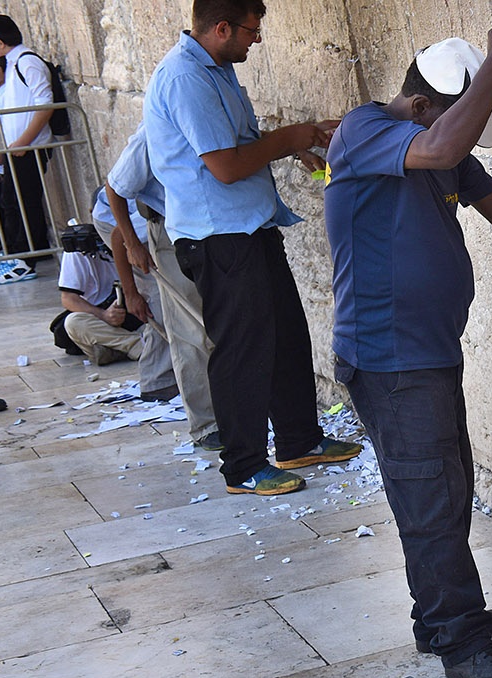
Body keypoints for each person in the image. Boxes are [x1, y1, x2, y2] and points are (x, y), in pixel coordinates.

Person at [322, 27, 492, 678]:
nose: (460, 144)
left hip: (428, 352)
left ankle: (439, 614)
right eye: (455, 120)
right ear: (419, 105)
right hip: (388, 358)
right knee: (431, 500)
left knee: (447, 488)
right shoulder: (364, 130)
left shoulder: (439, 151)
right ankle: (457, 639)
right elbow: (446, 142)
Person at [143, 0, 357, 496]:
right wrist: (287, 138)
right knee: (242, 350)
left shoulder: (214, 68)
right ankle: (242, 465)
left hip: (250, 224)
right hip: (217, 236)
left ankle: (299, 438)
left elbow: (237, 140)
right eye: (250, 32)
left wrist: (295, 144)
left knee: (284, 334)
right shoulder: (185, 78)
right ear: (221, 28)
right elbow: (225, 164)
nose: (255, 41)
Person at [106, 123, 220, 446]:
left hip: (209, 230)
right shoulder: (152, 130)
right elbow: (115, 189)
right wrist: (132, 247)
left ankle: (234, 410)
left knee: (218, 325)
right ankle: (207, 424)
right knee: (188, 331)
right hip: (168, 232)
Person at [58, 201, 169, 378]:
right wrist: (102, 315)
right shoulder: (80, 246)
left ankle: (115, 350)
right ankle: (139, 348)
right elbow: (68, 298)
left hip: (135, 310)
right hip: (101, 315)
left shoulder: (138, 234)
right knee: (73, 323)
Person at [0, 15, 53, 281]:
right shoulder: (15, 63)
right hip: (17, 149)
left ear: (0, 42)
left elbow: (45, 103)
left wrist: (24, 141)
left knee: (24, 201)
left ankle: (26, 259)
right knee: (13, 201)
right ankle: (23, 255)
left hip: (29, 147)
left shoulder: (28, 62)